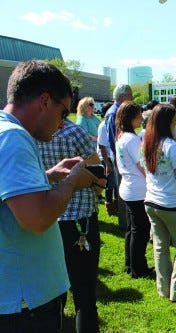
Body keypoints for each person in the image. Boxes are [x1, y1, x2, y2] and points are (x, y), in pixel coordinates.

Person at [0, 60, 102, 332]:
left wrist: (49, 175)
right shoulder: (14, 138)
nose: (61, 124)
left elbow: (10, 196)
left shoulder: (4, 131)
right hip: (26, 304)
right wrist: (71, 182)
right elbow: (37, 219)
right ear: (44, 101)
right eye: (62, 112)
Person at [37, 118, 103, 333]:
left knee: (55, 292)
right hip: (78, 219)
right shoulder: (76, 133)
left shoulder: (28, 133)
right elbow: (98, 174)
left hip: (47, 216)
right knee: (84, 294)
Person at [140, 104, 176, 302]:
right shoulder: (172, 147)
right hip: (170, 203)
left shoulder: (145, 143)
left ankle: (163, 289)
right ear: (167, 123)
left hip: (151, 202)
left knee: (160, 247)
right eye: (174, 121)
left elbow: (147, 172)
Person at [115, 101, 154, 279]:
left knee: (132, 228)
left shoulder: (123, 136)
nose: (141, 118)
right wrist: (153, 179)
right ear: (131, 118)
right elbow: (142, 165)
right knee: (141, 229)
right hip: (137, 189)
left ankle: (130, 263)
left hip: (128, 187)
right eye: (138, 115)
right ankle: (138, 267)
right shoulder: (131, 139)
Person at [105, 84, 133, 229]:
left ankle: (127, 221)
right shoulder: (114, 113)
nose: (133, 99)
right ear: (123, 97)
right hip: (119, 158)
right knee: (122, 190)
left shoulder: (118, 111)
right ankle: (125, 223)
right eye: (131, 96)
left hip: (120, 158)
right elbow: (113, 140)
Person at [97, 102, 119, 216]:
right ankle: (109, 206)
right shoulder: (102, 125)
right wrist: (107, 164)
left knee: (115, 184)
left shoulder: (111, 123)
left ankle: (116, 205)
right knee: (109, 184)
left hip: (112, 157)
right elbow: (101, 145)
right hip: (106, 158)